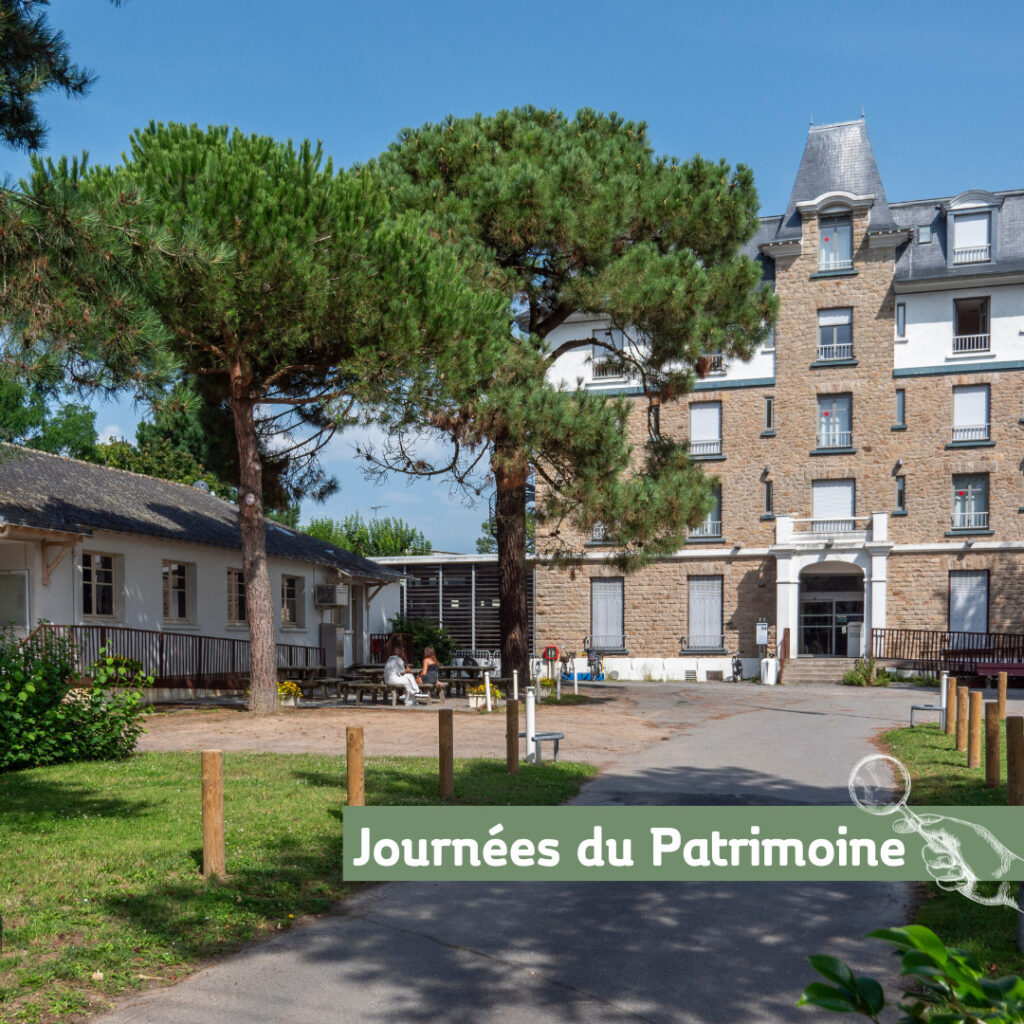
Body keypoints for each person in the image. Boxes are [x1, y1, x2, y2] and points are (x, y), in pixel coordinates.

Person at [384, 639, 423, 706]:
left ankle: (415, 691)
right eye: (402, 651)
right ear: (399, 652)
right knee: (408, 680)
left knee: (409, 676)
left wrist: (407, 672)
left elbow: (400, 673)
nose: (403, 653)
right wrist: (407, 670)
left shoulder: (390, 658)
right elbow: (402, 673)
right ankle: (409, 699)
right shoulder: (399, 659)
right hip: (393, 680)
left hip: (387, 680)